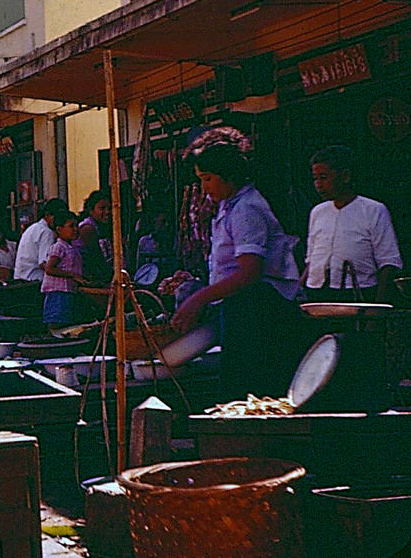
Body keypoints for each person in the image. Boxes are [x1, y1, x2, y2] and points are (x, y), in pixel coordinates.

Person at [170, 126, 306, 400]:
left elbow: (249, 272)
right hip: (241, 306)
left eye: (207, 179)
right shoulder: (228, 205)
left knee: (253, 391)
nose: (204, 188)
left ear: (229, 175)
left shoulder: (247, 209)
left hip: (262, 308)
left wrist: (197, 300)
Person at [304, 145, 403, 303]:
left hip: (358, 293)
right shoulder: (317, 212)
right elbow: (311, 260)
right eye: (315, 179)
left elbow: (388, 262)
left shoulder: (373, 210)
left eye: (323, 178)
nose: (318, 184)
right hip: (319, 293)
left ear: (345, 176)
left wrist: (376, 309)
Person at [41, 212, 86, 326]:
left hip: (69, 291)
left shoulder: (72, 247)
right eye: (71, 226)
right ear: (59, 229)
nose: (75, 229)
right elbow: (49, 269)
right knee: (57, 322)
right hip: (58, 293)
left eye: (76, 226)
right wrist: (73, 275)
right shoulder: (59, 247)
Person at [13, 198, 68, 282]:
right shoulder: (46, 232)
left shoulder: (33, 227)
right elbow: (44, 263)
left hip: (21, 277)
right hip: (34, 279)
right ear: (47, 215)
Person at [75, 189, 113, 285]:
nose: (107, 212)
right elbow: (96, 258)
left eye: (109, 208)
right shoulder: (88, 229)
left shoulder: (102, 226)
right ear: (91, 210)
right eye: (102, 208)